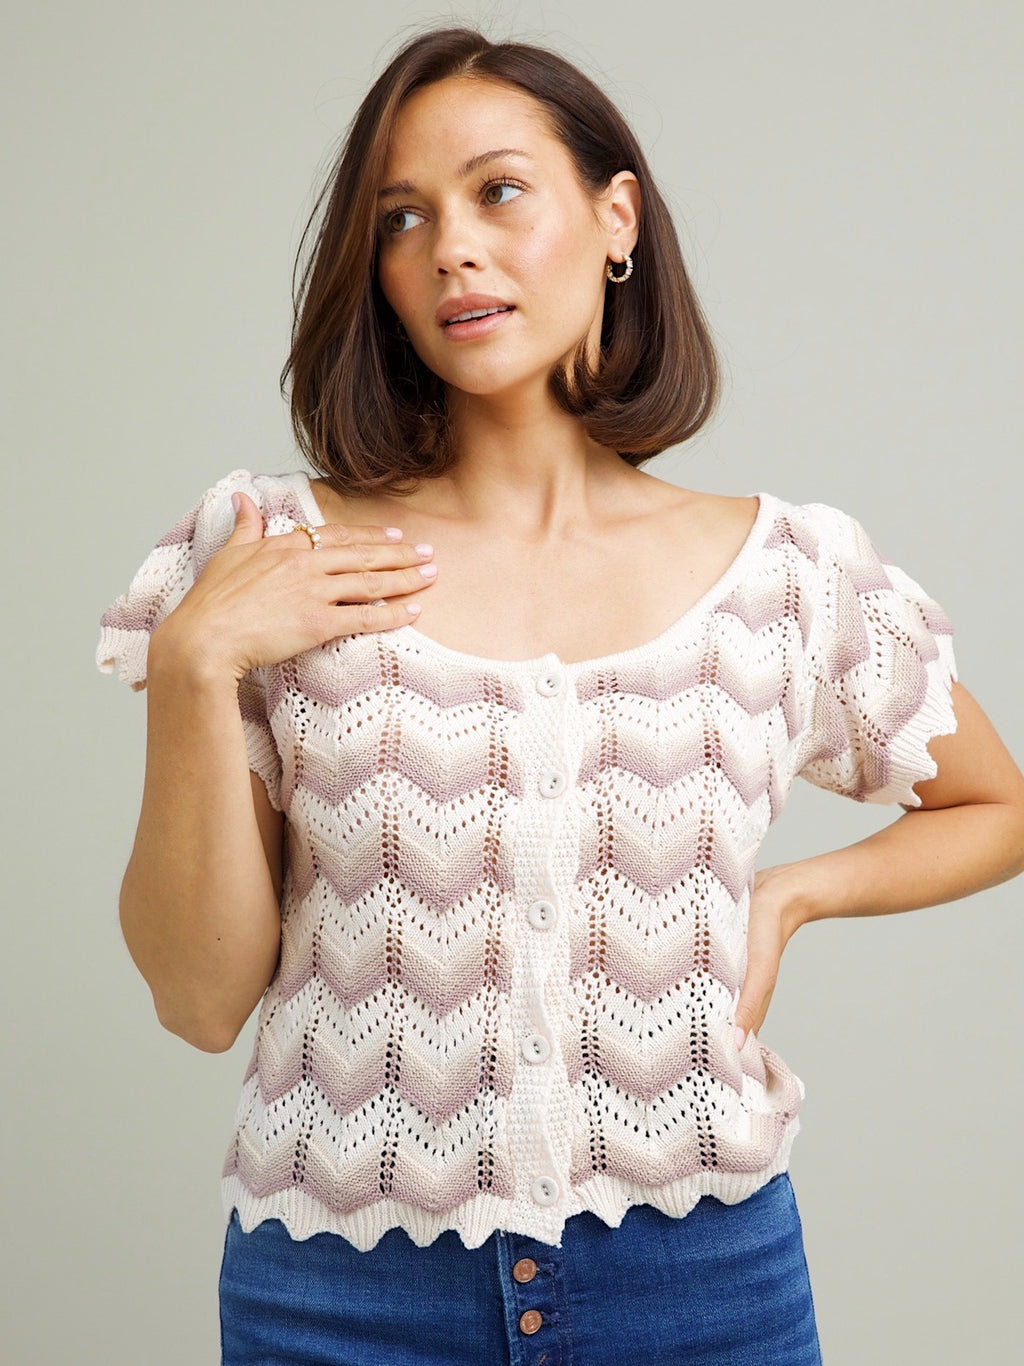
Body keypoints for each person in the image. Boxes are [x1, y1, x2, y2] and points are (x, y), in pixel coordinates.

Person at [95, 25, 1024, 1366]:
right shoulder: (269, 553)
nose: (451, 250)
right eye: (402, 218)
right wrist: (194, 663)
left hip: (699, 1279)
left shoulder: (785, 574)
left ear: (616, 218)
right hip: (341, 1294)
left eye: (498, 192)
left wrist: (791, 896)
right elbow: (196, 999)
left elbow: (996, 805)